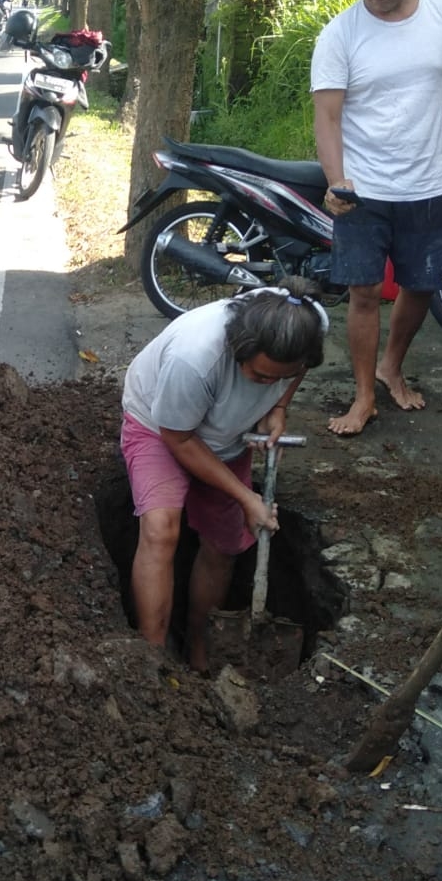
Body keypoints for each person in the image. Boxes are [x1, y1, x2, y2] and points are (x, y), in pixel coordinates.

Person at [121, 281, 328, 673]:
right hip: (159, 424)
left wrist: (279, 407)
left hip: (229, 435)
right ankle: (153, 657)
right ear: (239, 348)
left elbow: (298, 369)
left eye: (278, 378)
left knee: (223, 542)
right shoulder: (195, 358)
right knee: (161, 529)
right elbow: (178, 440)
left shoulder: (307, 322)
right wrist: (246, 497)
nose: (268, 384)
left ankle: (199, 641)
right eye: (259, 376)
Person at [311, 0, 442, 436]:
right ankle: (364, 395)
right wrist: (336, 179)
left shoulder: (439, 15)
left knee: (422, 284)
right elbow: (327, 115)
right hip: (363, 189)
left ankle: (394, 364)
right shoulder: (340, 35)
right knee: (365, 293)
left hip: (430, 183)